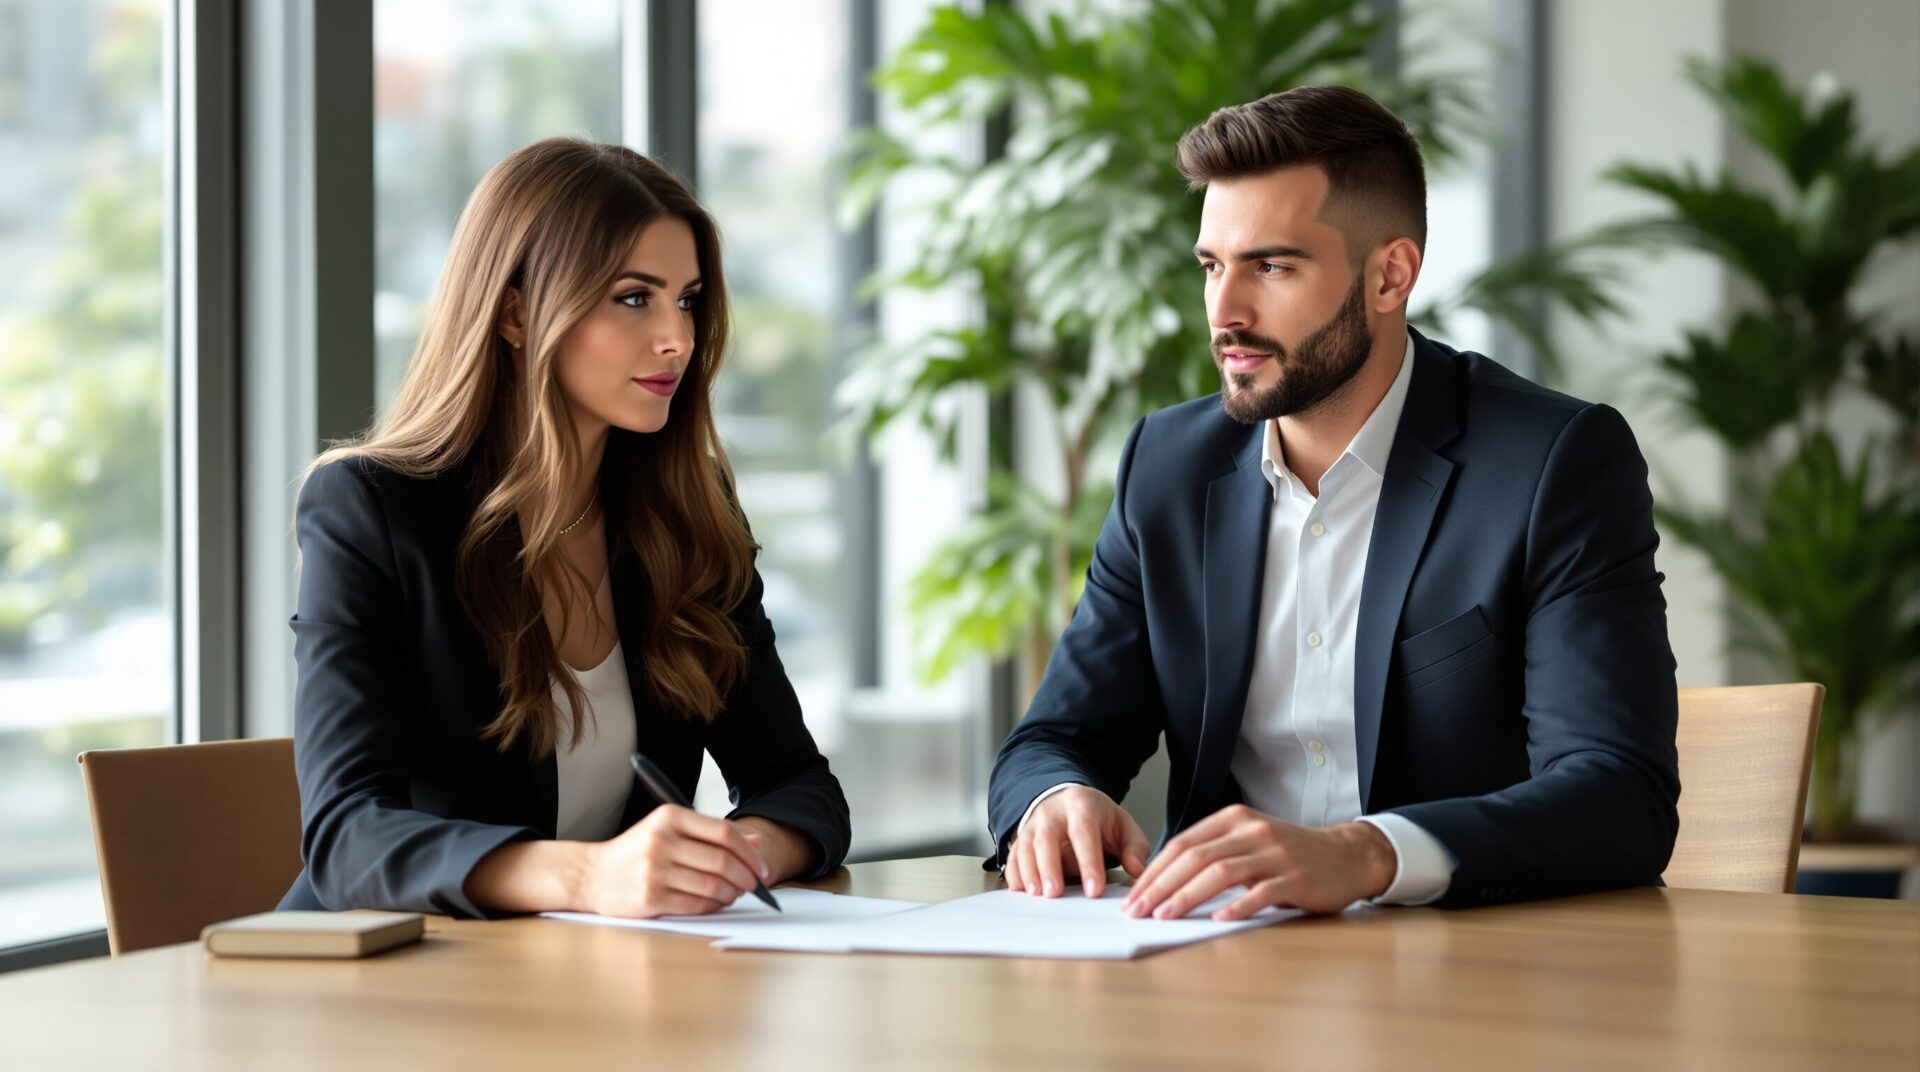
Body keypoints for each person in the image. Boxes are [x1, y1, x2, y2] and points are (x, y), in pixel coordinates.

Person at [990, 85, 1680, 919]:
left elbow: (1618, 795)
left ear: (1390, 275)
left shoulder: (1550, 465)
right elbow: (1055, 738)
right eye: (1212, 266)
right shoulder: (1167, 466)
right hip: (1217, 966)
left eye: (1272, 266)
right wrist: (1053, 799)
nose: (1225, 313)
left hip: (1470, 973)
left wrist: (1367, 853)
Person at [278, 138, 850, 920]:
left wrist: (730, 857)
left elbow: (800, 787)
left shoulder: (690, 513)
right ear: (516, 311)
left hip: (583, 984)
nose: (676, 337)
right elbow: (348, 837)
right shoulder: (370, 510)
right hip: (381, 993)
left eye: (686, 299)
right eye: (633, 297)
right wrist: (588, 877)